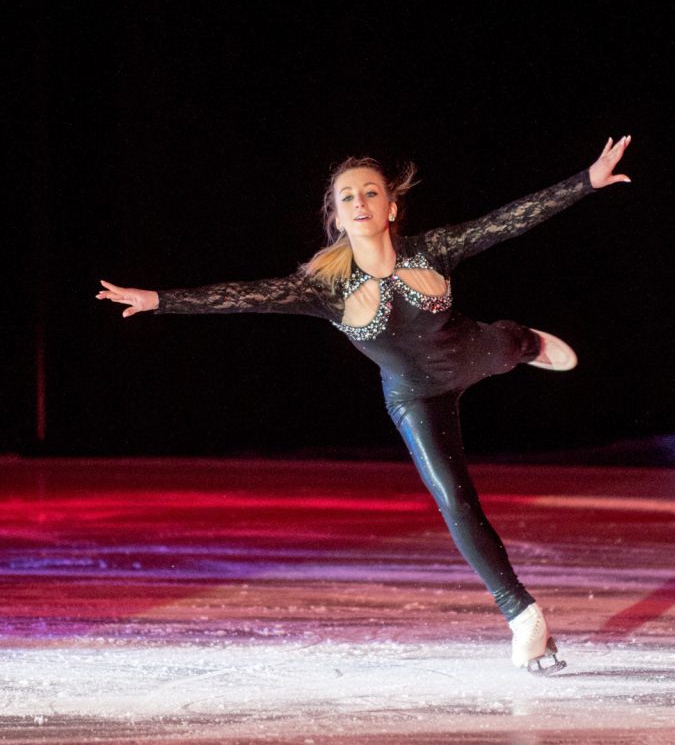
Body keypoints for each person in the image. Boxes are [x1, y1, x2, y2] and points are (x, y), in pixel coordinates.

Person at [96, 135, 631, 674]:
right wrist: (158, 301)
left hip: (473, 352)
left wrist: (587, 180)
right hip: (414, 395)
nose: (359, 202)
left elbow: (508, 220)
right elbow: (241, 296)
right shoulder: (324, 288)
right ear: (337, 215)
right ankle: (522, 616)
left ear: (390, 206)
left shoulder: (434, 249)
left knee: (506, 347)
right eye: (347, 197)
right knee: (453, 499)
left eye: (370, 192)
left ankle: (525, 342)